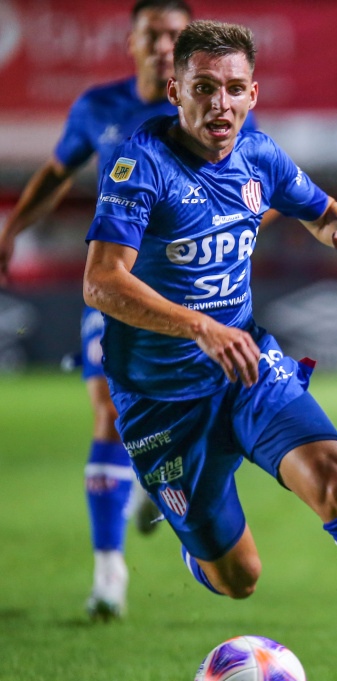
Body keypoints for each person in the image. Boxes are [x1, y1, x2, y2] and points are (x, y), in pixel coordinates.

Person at [81, 20, 337, 681]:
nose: (221, 104)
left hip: (250, 371)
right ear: (175, 92)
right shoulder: (141, 167)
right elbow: (102, 282)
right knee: (239, 580)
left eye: (235, 89)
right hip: (162, 405)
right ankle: (188, 526)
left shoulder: (259, 155)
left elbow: (324, 212)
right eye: (204, 88)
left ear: (254, 94)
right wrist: (200, 326)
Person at [0, 0, 206, 621]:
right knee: (108, 414)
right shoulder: (99, 107)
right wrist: (12, 230)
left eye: (175, 35)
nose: (164, 45)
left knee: (182, 421)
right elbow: (56, 171)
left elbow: (264, 185)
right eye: (153, 34)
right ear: (131, 42)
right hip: (114, 283)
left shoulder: (205, 108)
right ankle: (109, 572)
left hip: (186, 291)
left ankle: (153, 476)